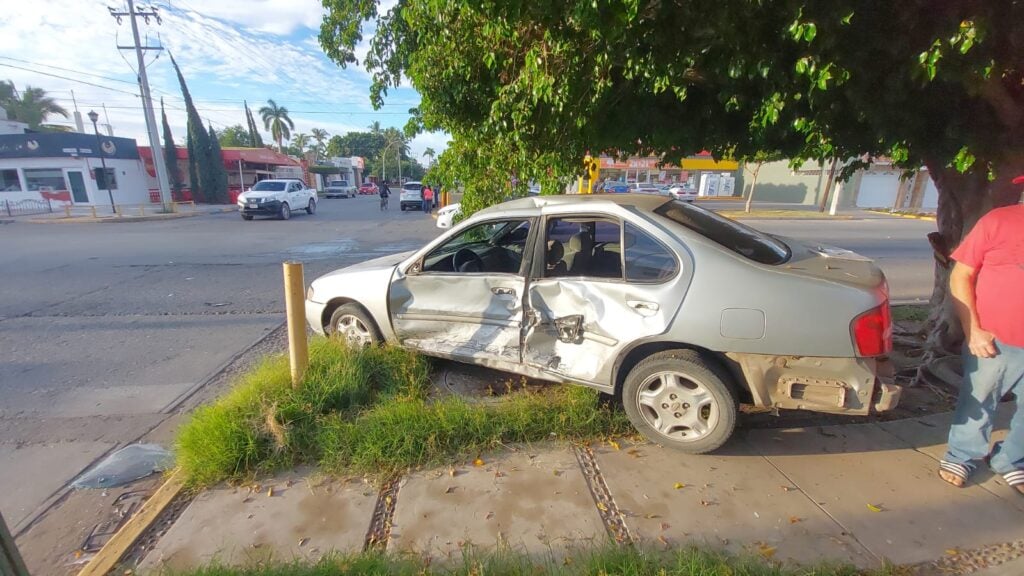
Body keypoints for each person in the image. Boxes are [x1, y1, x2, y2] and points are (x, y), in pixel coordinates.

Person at [938, 174, 1024, 494]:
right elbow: (962, 275)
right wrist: (972, 329)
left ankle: (1012, 459)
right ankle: (962, 455)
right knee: (979, 400)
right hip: (994, 339)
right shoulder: (999, 220)